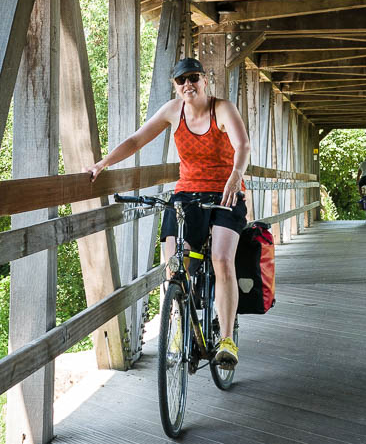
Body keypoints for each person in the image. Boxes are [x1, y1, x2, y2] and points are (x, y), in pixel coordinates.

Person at [88, 57, 251, 367]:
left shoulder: (223, 108)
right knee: (175, 262)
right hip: (187, 194)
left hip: (226, 192)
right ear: (175, 87)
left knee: (220, 258)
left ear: (205, 80)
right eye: (181, 80)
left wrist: (235, 175)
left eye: (193, 78)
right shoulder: (173, 111)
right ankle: (184, 324)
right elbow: (136, 140)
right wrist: (102, 164)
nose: (188, 84)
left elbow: (242, 145)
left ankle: (227, 340)